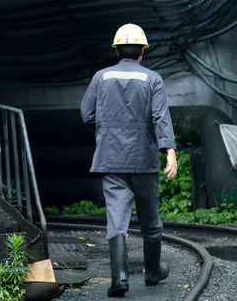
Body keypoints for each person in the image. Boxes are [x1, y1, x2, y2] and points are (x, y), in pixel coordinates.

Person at [80, 23, 178, 297]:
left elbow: (87, 114)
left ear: (117, 50)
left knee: (117, 219)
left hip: (111, 159)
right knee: (150, 219)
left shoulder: (100, 77)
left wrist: (106, 132)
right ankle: (153, 272)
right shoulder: (153, 79)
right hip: (144, 160)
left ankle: (120, 278)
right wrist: (169, 150)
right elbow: (160, 117)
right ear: (142, 52)